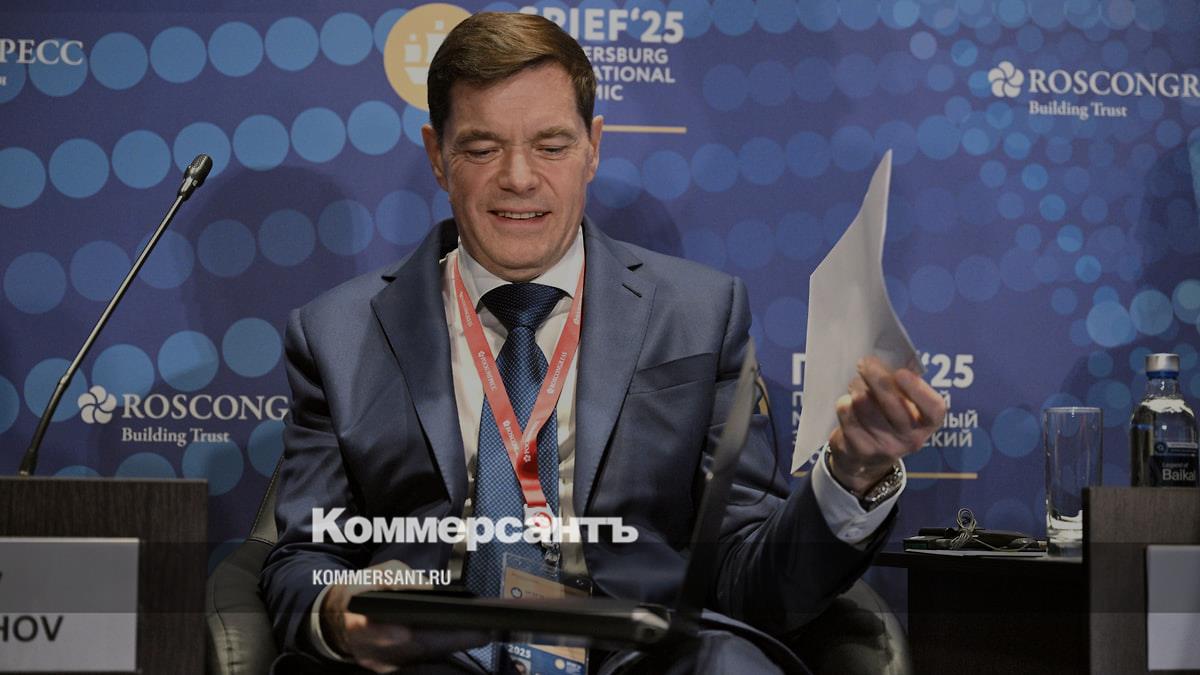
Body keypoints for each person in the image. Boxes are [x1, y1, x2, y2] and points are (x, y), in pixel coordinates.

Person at [261, 11, 945, 674]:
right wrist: (341, 609)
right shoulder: (338, 333)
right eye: (482, 147)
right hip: (431, 655)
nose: (519, 177)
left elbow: (749, 576)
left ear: (593, 147)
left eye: (551, 146)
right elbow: (303, 557)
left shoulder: (699, 315)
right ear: (438, 155)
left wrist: (853, 471)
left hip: (635, 650)